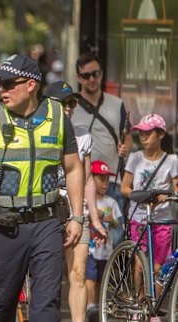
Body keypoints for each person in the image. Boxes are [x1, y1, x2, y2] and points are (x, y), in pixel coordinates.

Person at [0, 54, 85, 322]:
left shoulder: (57, 117)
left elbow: (74, 167)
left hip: (46, 223)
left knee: (46, 303)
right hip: (4, 226)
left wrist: (77, 217)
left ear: (31, 84)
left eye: (7, 83)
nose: (1, 89)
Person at [44, 81, 107, 322]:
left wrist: (93, 219)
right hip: (45, 212)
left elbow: (88, 180)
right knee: (45, 276)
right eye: (62, 103)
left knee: (78, 272)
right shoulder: (40, 133)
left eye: (71, 103)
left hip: (74, 211)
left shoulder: (82, 136)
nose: (68, 108)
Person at [120, 113, 178, 322]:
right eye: (141, 132)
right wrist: (143, 195)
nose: (143, 136)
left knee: (159, 266)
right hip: (139, 217)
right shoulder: (135, 158)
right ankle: (139, 304)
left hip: (163, 219)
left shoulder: (172, 160)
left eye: (148, 132)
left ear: (160, 134)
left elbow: (176, 186)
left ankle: (152, 308)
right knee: (139, 263)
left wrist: (166, 196)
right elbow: (125, 188)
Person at [71, 52, 133, 214]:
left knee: (115, 235)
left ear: (101, 74)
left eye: (95, 74)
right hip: (81, 183)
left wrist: (126, 148)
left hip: (111, 182)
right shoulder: (71, 105)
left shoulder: (117, 103)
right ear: (79, 78)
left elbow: (127, 137)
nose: (91, 79)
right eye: (86, 75)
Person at [85, 160, 123, 322]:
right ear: (91, 179)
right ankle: (90, 305)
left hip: (106, 248)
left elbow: (118, 223)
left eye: (107, 180)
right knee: (90, 276)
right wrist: (94, 214)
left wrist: (111, 221)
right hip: (90, 248)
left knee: (101, 277)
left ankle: (99, 305)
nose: (105, 183)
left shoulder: (111, 202)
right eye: (101, 179)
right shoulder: (87, 201)